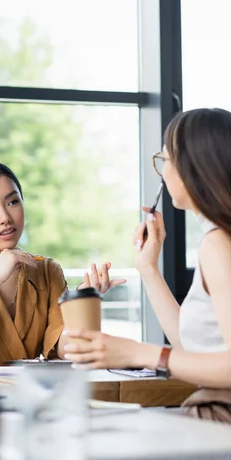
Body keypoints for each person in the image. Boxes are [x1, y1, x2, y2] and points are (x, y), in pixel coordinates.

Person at [64, 107, 231, 421]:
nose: (162, 171)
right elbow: (196, 350)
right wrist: (148, 267)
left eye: (165, 159)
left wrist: (138, 352)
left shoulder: (218, 244)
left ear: (193, 166)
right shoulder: (218, 240)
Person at [0, 160, 125, 364]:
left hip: (30, 391)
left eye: (12, 202)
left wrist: (81, 301)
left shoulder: (46, 270)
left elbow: (67, 349)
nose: (5, 217)